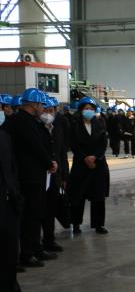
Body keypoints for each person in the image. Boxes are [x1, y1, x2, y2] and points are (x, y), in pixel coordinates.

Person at [8, 88, 57, 267]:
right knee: (30, 215)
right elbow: (35, 147)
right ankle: (28, 254)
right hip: (29, 176)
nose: (43, 109)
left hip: (33, 174)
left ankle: (35, 248)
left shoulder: (27, 121)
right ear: (34, 104)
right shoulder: (23, 122)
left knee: (36, 214)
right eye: (41, 105)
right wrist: (49, 163)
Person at [0, 110, 32, 292]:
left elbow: (12, 169)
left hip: (6, 206)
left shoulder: (4, 136)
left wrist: (15, 197)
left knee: (8, 259)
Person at [69, 97, 110, 235]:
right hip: (81, 165)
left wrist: (95, 157)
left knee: (98, 195)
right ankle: (76, 224)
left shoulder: (100, 124)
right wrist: (85, 158)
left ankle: (98, 225)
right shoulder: (75, 126)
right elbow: (73, 145)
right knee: (78, 196)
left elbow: (103, 143)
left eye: (91, 109)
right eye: (86, 108)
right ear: (81, 110)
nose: (89, 111)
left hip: (98, 164)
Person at [41, 97, 69, 252]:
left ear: (55, 112)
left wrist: (64, 176)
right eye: (44, 110)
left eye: (50, 110)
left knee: (51, 209)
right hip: (40, 176)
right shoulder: (37, 129)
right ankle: (36, 242)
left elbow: (62, 154)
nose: (47, 113)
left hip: (55, 176)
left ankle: (49, 240)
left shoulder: (57, 129)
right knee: (39, 210)